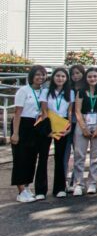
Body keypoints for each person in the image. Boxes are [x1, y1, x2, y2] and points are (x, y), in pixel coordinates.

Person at [11, 66, 50, 202]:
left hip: (36, 125)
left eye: (43, 75)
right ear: (32, 76)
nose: (40, 77)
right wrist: (15, 133)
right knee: (20, 158)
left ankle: (27, 187)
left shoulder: (43, 91)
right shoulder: (23, 91)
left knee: (31, 158)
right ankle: (21, 190)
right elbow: (17, 112)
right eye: (38, 74)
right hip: (22, 125)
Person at [72, 67, 97, 196]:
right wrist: (83, 127)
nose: (92, 79)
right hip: (83, 120)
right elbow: (77, 110)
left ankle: (92, 183)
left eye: (95, 76)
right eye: (89, 76)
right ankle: (78, 183)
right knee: (79, 155)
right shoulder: (81, 91)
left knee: (95, 155)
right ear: (86, 78)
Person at [43, 68, 73, 198]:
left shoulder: (70, 92)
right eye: (57, 76)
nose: (60, 78)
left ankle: (59, 188)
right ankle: (41, 190)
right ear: (53, 77)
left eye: (63, 76)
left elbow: (70, 111)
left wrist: (69, 126)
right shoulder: (45, 91)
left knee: (60, 157)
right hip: (48, 122)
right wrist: (47, 128)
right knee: (43, 156)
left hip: (62, 123)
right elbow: (44, 110)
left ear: (66, 79)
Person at [65, 65, 86, 193]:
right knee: (65, 154)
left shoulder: (87, 88)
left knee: (79, 153)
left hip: (81, 123)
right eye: (73, 74)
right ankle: (62, 181)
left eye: (78, 73)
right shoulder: (67, 89)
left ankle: (75, 181)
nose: (75, 76)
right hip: (67, 123)